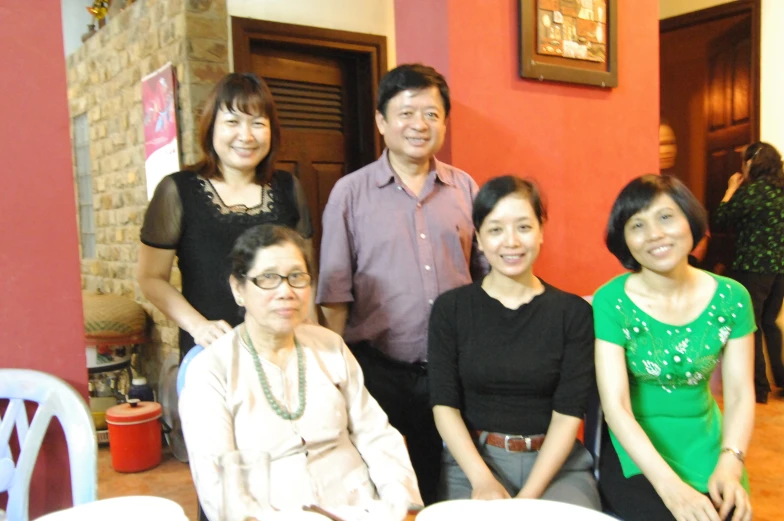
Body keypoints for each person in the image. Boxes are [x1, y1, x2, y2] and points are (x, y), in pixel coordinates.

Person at [316, 63, 485, 504]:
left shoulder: (465, 188)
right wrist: (334, 376)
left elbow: (486, 277)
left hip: (455, 367)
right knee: (380, 484)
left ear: (445, 122)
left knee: (444, 484)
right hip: (378, 370)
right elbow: (334, 295)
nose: (419, 125)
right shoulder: (349, 194)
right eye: (406, 113)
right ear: (381, 121)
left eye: (432, 114)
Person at [179, 225, 422, 521]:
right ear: (238, 289)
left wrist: (403, 504)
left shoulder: (329, 346)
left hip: (358, 509)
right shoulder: (212, 370)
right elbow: (217, 481)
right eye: (268, 278)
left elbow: (376, 434)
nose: (286, 292)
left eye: (297, 277)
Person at [427, 176, 601, 508]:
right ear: (478, 238)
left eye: (523, 227)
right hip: (474, 464)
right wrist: (482, 480)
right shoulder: (451, 310)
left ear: (541, 232)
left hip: (556, 466)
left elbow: (568, 415)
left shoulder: (573, 313)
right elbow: (444, 406)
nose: (511, 242)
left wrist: (526, 502)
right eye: (495, 230)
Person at [594, 174, 755, 521]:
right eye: (638, 224)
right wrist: (670, 488)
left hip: (707, 441)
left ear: (690, 220)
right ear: (624, 240)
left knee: (729, 513)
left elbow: (741, 393)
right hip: (636, 449)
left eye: (666, 217)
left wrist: (730, 462)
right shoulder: (612, 301)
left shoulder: (732, 298)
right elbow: (616, 406)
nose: (654, 234)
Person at [137, 73, 313, 357]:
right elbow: (151, 277)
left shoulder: (288, 188)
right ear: (211, 128)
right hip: (212, 352)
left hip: (282, 350)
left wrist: (311, 338)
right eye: (232, 122)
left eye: (258, 123)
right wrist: (198, 326)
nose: (246, 136)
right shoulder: (177, 191)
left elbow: (303, 276)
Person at [713, 142, 784, 404]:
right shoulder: (781, 191)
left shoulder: (751, 193)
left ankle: (759, 388)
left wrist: (731, 189)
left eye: (744, 161)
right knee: (770, 323)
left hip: (753, 267)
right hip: (780, 269)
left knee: (751, 326)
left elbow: (720, 218)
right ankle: (782, 381)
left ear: (753, 163)